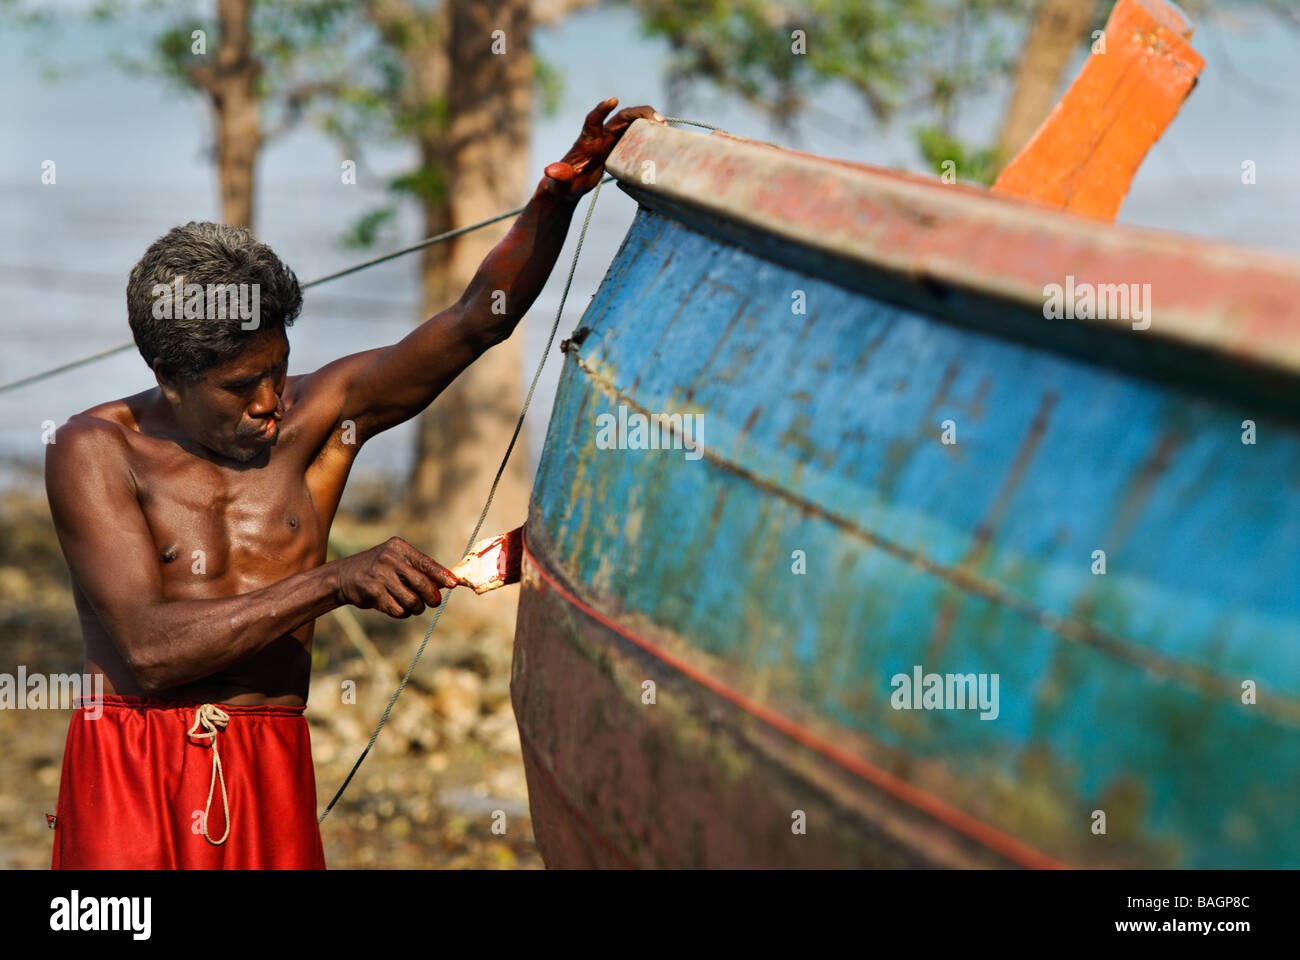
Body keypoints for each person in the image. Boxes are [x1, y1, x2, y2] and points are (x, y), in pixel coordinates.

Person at [44, 98, 665, 869]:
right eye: (243, 386)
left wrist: (556, 197)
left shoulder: (322, 418)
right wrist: (336, 579)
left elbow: (479, 320)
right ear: (170, 375)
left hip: (268, 753)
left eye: (277, 368)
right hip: (131, 760)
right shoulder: (95, 449)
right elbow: (147, 652)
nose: (272, 402)